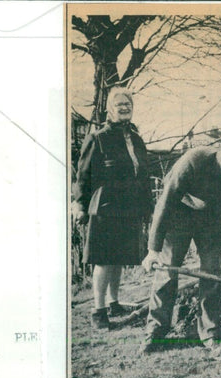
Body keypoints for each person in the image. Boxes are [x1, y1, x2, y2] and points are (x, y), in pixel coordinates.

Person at [141, 135, 221, 356]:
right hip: (178, 212)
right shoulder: (194, 161)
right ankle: (155, 330)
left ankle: (211, 332)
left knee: (212, 272)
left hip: (211, 219)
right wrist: (153, 250)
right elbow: (165, 203)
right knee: (167, 271)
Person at [73, 88, 153, 329]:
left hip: (129, 208)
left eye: (127, 104)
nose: (124, 108)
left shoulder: (136, 139)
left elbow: (144, 175)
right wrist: (79, 204)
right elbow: (83, 176)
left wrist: (147, 207)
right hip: (105, 207)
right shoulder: (98, 138)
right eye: (119, 104)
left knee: (119, 259)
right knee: (104, 260)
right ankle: (98, 312)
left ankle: (113, 302)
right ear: (110, 108)